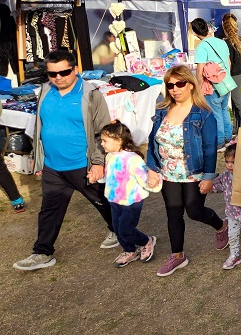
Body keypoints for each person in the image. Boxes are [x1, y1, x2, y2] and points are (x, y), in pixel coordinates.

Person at [13, 50, 116, 271]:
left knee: (102, 202)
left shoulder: (91, 94)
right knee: (49, 210)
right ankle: (42, 252)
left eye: (64, 72)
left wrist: (98, 163)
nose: (59, 77)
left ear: (75, 70)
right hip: (53, 166)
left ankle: (120, 230)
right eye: (52, 74)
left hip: (82, 165)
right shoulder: (45, 91)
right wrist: (38, 158)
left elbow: (103, 131)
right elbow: (40, 127)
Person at [147, 65, 228, 277]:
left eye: (180, 84)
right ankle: (177, 255)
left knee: (194, 211)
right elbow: (151, 141)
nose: (175, 89)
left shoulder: (204, 114)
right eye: (170, 85)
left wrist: (209, 176)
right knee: (173, 213)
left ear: (191, 85)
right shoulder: (161, 109)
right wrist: (152, 168)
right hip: (168, 173)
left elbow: (210, 148)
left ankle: (221, 226)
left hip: (193, 172)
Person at [100, 120, 162, 267]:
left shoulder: (133, 159)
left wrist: (153, 183)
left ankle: (146, 241)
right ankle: (129, 250)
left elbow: (145, 177)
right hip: (114, 200)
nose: (102, 144)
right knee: (117, 228)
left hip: (131, 202)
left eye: (104, 141)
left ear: (118, 140)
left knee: (125, 229)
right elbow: (109, 175)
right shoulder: (110, 156)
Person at [191, 18, 237, 149]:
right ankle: (228, 137)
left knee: (215, 113)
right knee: (223, 110)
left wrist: (199, 86)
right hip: (226, 81)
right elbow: (228, 62)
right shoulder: (221, 42)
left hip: (212, 85)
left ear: (195, 32)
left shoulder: (201, 47)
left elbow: (200, 69)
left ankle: (219, 141)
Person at [222, 14, 241, 134]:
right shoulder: (238, 39)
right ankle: (238, 126)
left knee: (238, 102)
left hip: (234, 75)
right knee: (235, 102)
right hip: (240, 73)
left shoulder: (227, 42)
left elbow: (227, 61)